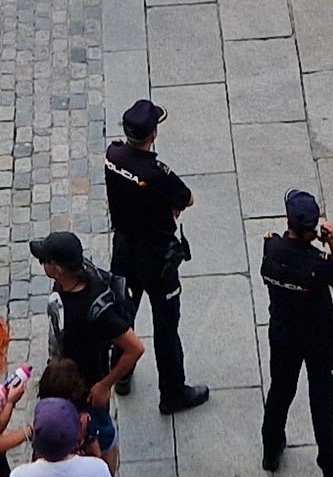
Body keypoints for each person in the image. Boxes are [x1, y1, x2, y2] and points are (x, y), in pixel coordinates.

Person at [102, 99, 209, 415]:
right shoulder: (159, 173)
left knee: (123, 313)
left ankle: (121, 373)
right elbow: (186, 198)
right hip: (157, 258)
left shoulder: (113, 155)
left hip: (124, 250)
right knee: (166, 325)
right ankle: (172, 392)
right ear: (153, 134)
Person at [258, 189, 333, 477]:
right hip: (319, 341)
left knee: (280, 390)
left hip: (282, 334)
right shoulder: (318, 263)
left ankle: (271, 448)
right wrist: (330, 239)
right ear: (314, 226)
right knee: (322, 404)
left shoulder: (271, 247)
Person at [31, 229, 146, 456]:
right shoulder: (67, 282)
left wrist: (105, 385)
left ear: (58, 268)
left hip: (87, 389)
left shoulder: (95, 310)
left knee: (103, 438)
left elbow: (135, 348)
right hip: (67, 380)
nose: (42, 264)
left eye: (44, 260)